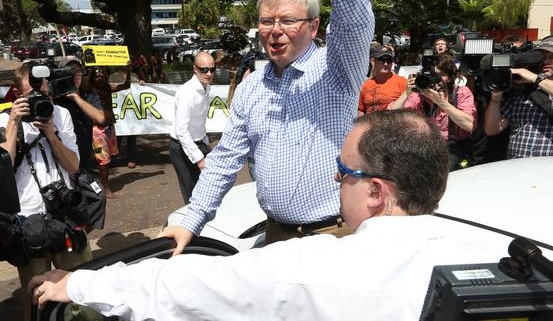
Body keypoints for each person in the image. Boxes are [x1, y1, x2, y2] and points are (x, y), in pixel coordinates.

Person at [28, 109, 510, 320]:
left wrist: (78, 284)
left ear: (378, 193)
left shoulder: (312, 269)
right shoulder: (506, 263)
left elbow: (187, 287)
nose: (334, 180)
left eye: (343, 171)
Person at [160, 0, 374, 252]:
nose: (274, 30)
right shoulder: (254, 85)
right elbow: (224, 160)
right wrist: (192, 218)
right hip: (272, 237)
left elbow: (353, 4)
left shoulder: (337, 69)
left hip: (333, 238)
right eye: (266, 21)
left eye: (288, 21)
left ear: (313, 27)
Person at [0, 61, 92, 319]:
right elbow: (0, 170)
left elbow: (73, 165)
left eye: (42, 93)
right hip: (28, 220)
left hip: (65, 215)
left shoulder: (60, 114)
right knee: (36, 297)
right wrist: (14, 122)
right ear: (18, 93)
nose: (38, 100)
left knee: (81, 289)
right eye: (30, 96)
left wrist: (52, 135)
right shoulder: (4, 118)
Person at [389, 53, 476, 169]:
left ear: (449, 78)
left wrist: (442, 103)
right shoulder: (419, 97)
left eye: (440, 75)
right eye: (433, 75)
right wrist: (407, 92)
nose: (436, 80)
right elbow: (390, 117)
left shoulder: (461, 93)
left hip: (454, 149)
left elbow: (470, 125)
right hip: (426, 148)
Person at [484, 38, 553, 158]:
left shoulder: (533, 79)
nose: (546, 61)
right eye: (542, 57)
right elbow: (492, 129)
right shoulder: (523, 90)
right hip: (516, 169)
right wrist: (496, 97)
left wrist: (534, 78)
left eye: (552, 57)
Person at [169, 51, 215, 203]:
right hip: (182, 147)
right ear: (195, 69)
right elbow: (181, 131)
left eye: (212, 69)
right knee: (192, 195)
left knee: (207, 190)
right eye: (204, 70)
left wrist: (205, 143)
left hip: (199, 143)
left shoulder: (205, 87)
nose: (208, 73)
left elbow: (199, 121)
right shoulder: (187, 92)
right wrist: (199, 159)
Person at [53, 57, 105, 174]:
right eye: (70, 71)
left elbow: (100, 118)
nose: (76, 75)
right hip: (64, 162)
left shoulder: (89, 93)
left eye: (79, 71)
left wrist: (76, 97)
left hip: (85, 159)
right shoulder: (55, 97)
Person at [87, 66, 121, 197]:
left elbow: (126, 85)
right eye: (97, 75)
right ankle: (105, 188)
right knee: (103, 160)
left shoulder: (108, 88)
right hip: (97, 130)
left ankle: (102, 182)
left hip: (110, 127)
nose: (100, 76)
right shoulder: (89, 89)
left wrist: (128, 71)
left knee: (109, 157)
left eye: (102, 74)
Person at [358, 46, 407, 114]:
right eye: (382, 60)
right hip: (370, 123)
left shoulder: (403, 83)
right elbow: (361, 109)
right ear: (373, 61)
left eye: (389, 60)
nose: (386, 64)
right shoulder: (366, 84)